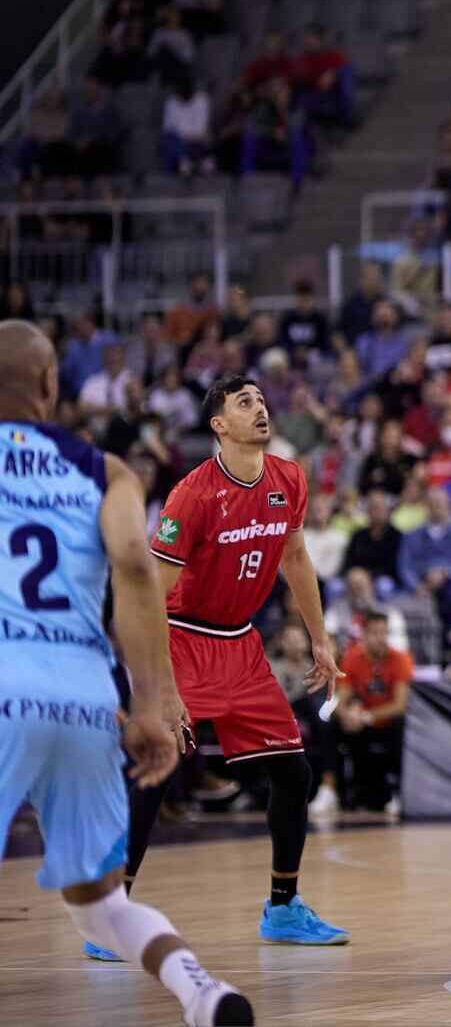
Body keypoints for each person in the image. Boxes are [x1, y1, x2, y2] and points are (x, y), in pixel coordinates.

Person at [0, 321, 254, 1025]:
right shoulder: (104, 471)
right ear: (51, 384)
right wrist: (153, 702)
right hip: (84, 700)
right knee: (101, 900)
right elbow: (139, 571)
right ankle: (202, 992)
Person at [116, 374, 347, 959]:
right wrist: (162, 687)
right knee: (156, 771)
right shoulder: (191, 496)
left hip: (241, 646)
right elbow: (149, 598)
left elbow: (295, 556)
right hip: (182, 640)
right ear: (219, 424)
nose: (261, 408)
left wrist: (319, 639)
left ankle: (284, 907)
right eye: (246, 403)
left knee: (294, 774)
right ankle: (111, 914)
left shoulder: (288, 478)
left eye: (263, 400)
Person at [334, 612, 415, 811]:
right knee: (331, 726)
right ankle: (331, 790)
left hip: (388, 723)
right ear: (363, 635)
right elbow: (338, 700)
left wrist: (366, 716)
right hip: (361, 724)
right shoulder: (352, 659)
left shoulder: (400, 659)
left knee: (402, 724)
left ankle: (402, 791)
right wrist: (347, 714)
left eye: (384, 632)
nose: (381, 638)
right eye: (375, 632)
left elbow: (400, 704)